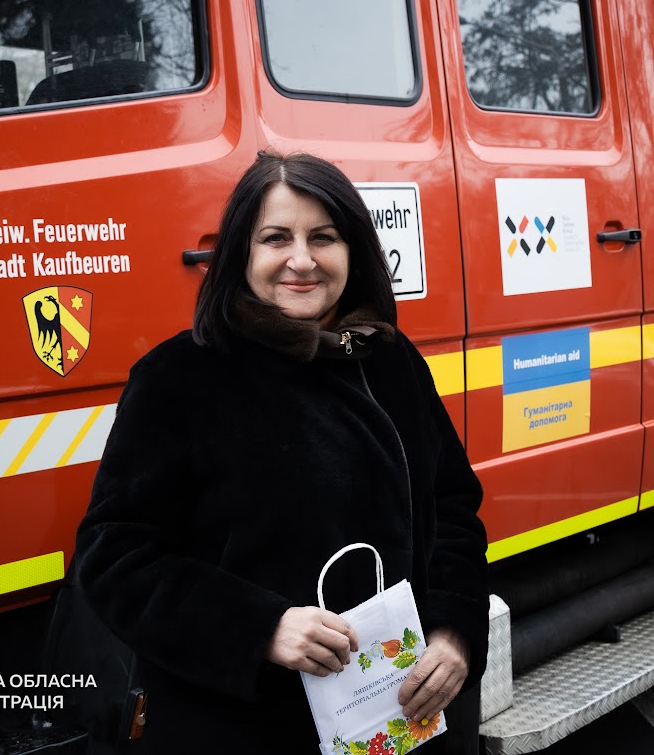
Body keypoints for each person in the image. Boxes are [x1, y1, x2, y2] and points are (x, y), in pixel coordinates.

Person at [73, 150, 489, 752]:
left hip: (397, 721)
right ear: (241, 253)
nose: (302, 260)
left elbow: (452, 509)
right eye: (275, 238)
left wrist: (454, 631)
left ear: (354, 251)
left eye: (323, 237)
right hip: (239, 730)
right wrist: (260, 626)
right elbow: (114, 557)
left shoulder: (392, 361)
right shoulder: (180, 377)